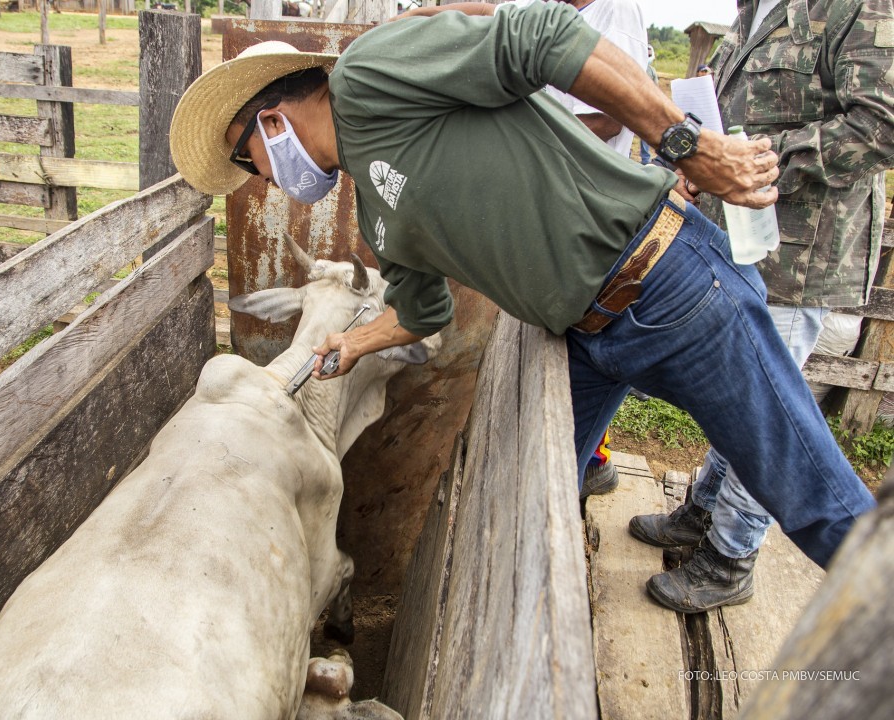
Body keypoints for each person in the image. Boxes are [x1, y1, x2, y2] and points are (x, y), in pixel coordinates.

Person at [169, 2, 877, 568]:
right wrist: (353, 343)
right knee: (523, 514)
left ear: (270, 119)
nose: (265, 180)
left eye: (250, 160)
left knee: (816, 503)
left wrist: (685, 143)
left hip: (670, 286)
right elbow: (422, 310)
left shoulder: (369, 75)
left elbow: (543, 34)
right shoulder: (378, 215)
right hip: (585, 336)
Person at [629, 0, 894, 613]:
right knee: (735, 396)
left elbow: (880, 124)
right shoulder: (757, 10)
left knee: (766, 415)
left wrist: (749, 161)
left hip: (799, 256)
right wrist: (701, 158)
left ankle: (730, 558)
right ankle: (703, 514)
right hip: (737, 238)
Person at [397, 0, 650, 499]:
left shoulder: (616, 11)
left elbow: (608, 117)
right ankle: (585, 457)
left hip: (584, 201)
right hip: (549, 207)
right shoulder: (550, 7)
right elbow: (494, 11)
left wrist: (522, 127)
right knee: (570, 346)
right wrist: (427, 13)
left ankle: (587, 460)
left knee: (591, 338)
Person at [639, 44, 658, 164]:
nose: (648, 56)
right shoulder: (637, 66)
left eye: (650, 55)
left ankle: (645, 159)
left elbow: (655, 88)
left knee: (644, 133)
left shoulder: (652, 71)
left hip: (646, 105)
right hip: (634, 102)